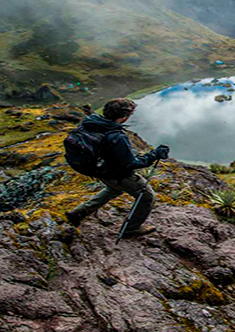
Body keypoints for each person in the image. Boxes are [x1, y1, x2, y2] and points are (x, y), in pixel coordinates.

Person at [65, 98, 170, 238]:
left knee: (113, 190)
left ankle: (78, 213)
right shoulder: (116, 136)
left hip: (96, 169)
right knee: (146, 197)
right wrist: (154, 155)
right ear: (124, 117)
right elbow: (130, 164)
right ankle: (131, 229)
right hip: (116, 174)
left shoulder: (90, 123)